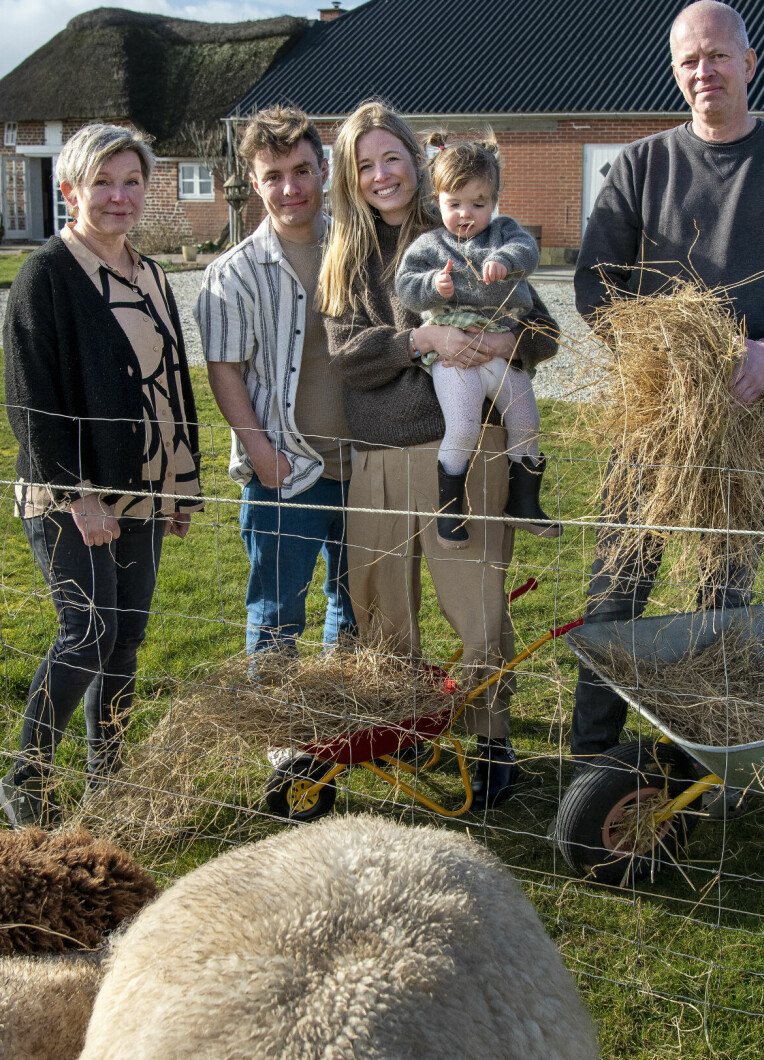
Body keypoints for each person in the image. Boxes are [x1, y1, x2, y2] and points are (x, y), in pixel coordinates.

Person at [571, 0, 764, 766]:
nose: (705, 71)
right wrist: (659, 365)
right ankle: (593, 758)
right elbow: (596, 282)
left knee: (722, 594)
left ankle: (705, 760)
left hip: (752, 420)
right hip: (655, 422)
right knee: (618, 585)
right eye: (690, 60)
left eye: (718, 55)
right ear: (676, 72)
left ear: (749, 62)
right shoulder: (642, 165)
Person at [319, 101, 559, 809]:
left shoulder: (464, 225)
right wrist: (421, 340)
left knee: (476, 604)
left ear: (415, 163)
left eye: (391, 157)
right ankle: (405, 724)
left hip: (466, 452)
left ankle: (491, 737)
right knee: (383, 607)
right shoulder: (346, 255)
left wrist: (503, 341)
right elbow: (347, 356)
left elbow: (543, 330)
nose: (381, 175)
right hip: (378, 455)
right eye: (365, 165)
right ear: (350, 177)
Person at [2, 123, 203, 827]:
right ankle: (26, 780)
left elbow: (171, 383)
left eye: (132, 182)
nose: (120, 196)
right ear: (70, 191)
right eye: (103, 183)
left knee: (126, 637)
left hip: (142, 487)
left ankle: (107, 778)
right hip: (71, 495)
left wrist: (180, 485)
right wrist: (78, 495)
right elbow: (29, 399)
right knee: (87, 635)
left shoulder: (151, 274)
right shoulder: (46, 276)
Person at [196, 106, 356, 655]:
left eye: (302, 171)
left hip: (364, 466)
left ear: (323, 170)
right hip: (286, 471)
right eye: (274, 176)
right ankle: (274, 708)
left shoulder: (356, 250)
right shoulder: (232, 273)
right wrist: (261, 454)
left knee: (355, 609)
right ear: (253, 182)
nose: (291, 188)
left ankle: (343, 706)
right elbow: (224, 370)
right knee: (276, 616)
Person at [395, 133, 560, 548]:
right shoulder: (431, 245)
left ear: (495, 201)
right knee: (464, 425)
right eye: (454, 204)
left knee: (527, 421)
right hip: (455, 354)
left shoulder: (504, 233)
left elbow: (527, 249)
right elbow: (406, 285)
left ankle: (524, 503)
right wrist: (434, 285)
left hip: (502, 345)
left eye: (479, 204)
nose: (466, 214)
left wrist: (503, 260)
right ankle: (449, 512)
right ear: (437, 200)